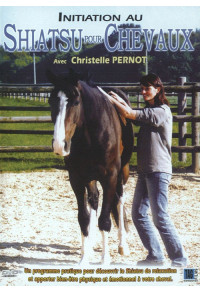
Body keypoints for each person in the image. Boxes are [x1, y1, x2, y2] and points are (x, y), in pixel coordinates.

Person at [106, 73, 188, 267]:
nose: (143, 92)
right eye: (141, 88)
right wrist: (117, 100)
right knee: (138, 214)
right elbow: (132, 114)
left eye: (147, 88)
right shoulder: (149, 112)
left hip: (158, 171)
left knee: (160, 216)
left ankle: (179, 258)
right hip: (145, 171)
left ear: (158, 89)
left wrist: (109, 98)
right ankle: (156, 256)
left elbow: (129, 114)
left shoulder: (162, 112)